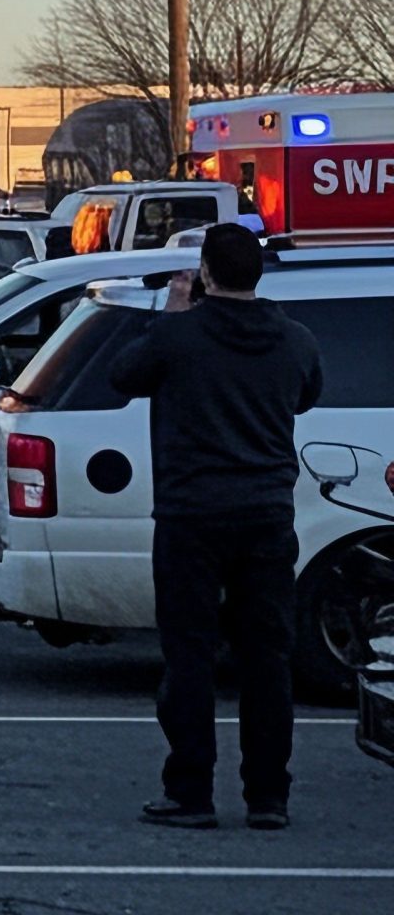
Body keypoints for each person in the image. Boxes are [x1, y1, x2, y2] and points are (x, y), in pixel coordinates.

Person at [107, 221, 322, 832]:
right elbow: (307, 396)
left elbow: (124, 375)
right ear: (258, 273)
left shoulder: (180, 337)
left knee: (190, 656)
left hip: (191, 516)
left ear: (205, 273)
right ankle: (268, 797)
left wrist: (172, 313)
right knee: (267, 659)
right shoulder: (295, 339)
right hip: (266, 514)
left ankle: (191, 791)